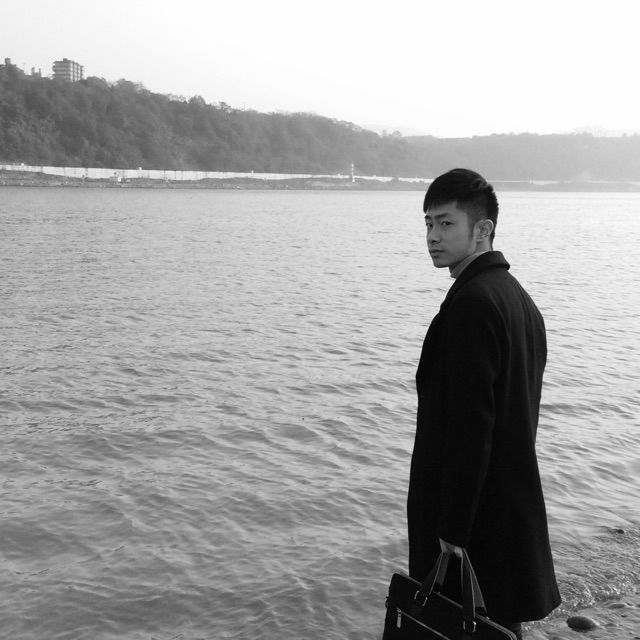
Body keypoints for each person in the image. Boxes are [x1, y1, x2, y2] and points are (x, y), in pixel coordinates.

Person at [407, 169, 561, 639]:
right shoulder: (517, 299)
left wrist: (453, 528)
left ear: (483, 229)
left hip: (475, 521)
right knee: (496, 627)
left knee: (459, 626)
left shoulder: (474, 302)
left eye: (446, 223)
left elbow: (471, 425)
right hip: (507, 506)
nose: (433, 236)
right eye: (428, 223)